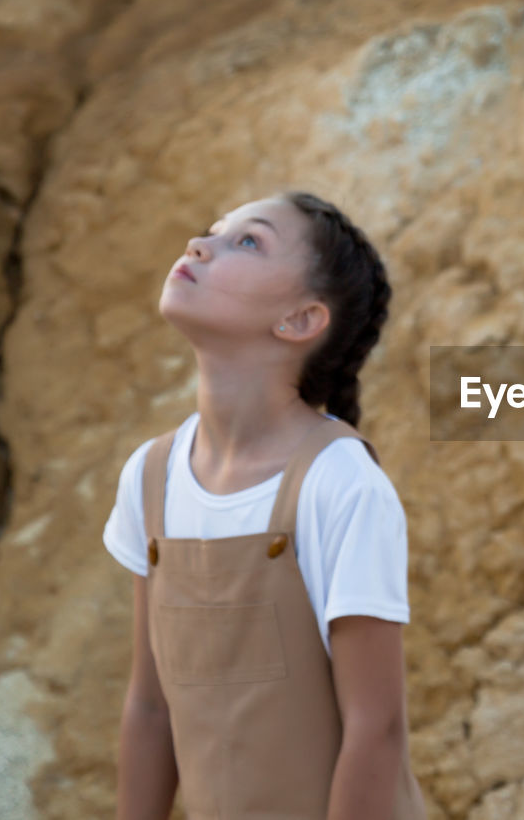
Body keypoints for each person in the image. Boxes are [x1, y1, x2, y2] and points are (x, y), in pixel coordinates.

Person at [105, 192, 427, 819]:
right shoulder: (149, 478)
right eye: (210, 231)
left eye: (247, 242)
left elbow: (376, 728)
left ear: (301, 320)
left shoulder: (340, 483)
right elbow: (151, 706)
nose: (200, 245)